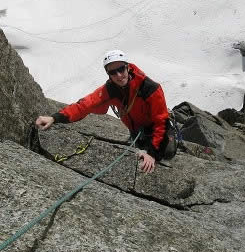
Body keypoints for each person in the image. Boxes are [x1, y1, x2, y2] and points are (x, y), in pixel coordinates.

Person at [35, 50, 174, 173]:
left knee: (167, 153)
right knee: (139, 151)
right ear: (108, 74)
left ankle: (166, 140)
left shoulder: (149, 88)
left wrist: (152, 153)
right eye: (113, 72)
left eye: (121, 69)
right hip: (136, 131)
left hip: (156, 128)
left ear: (128, 67)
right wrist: (54, 118)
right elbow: (84, 105)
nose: (119, 75)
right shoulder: (110, 90)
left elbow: (160, 122)